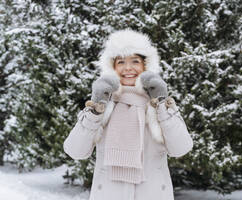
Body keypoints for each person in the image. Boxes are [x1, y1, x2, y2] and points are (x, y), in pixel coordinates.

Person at [63, 29, 193, 200]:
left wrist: (161, 103)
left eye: (135, 61)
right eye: (121, 62)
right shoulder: (104, 103)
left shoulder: (157, 105)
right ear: (113, 67)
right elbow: (75, 151)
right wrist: (95, 110)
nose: (128, 68)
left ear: (145, 65)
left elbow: (181, 148)